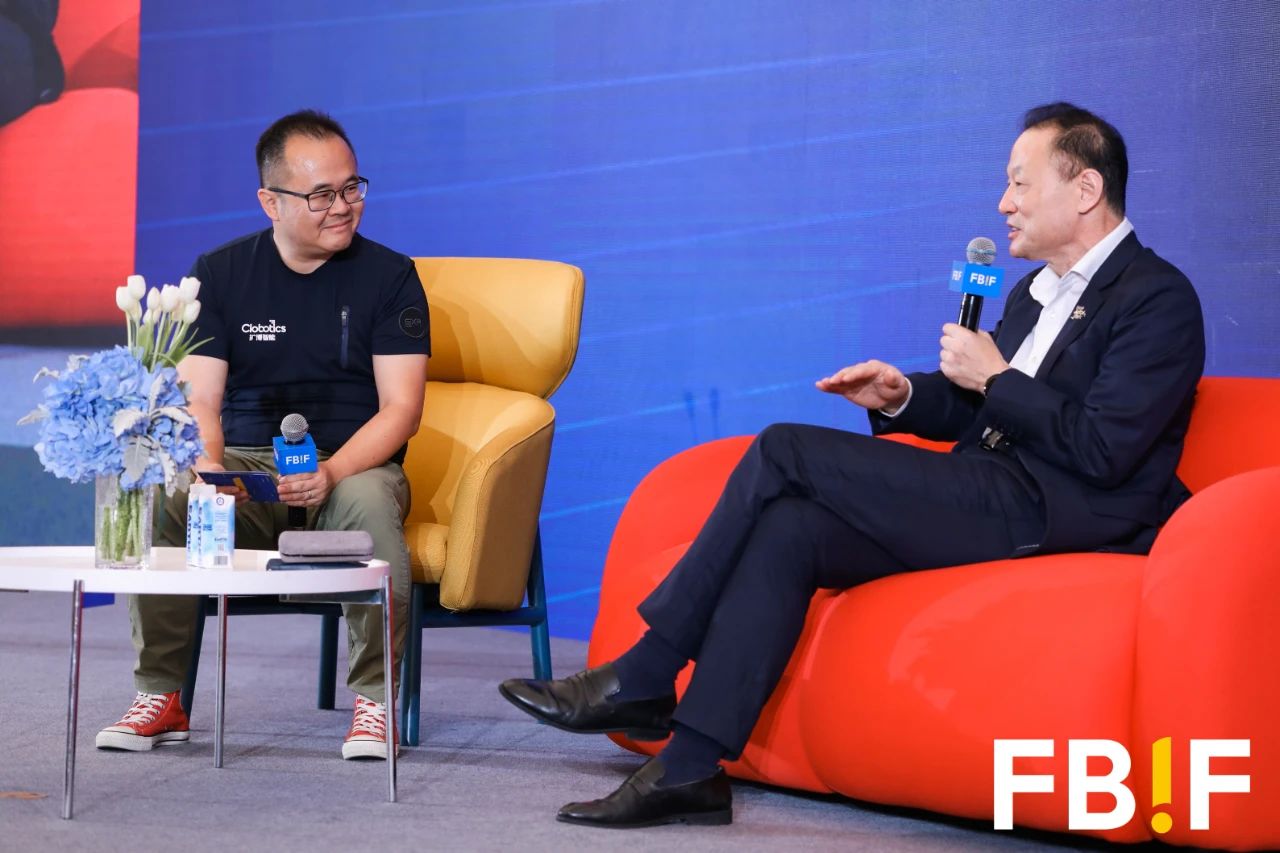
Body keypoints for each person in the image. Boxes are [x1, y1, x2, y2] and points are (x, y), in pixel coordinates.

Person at [500, 102, 1205, 827]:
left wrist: (995, 377)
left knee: (784, 447)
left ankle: (647, 669)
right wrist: (904, 397)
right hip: (987, 488)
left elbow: (1103, 448)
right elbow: (983, 408)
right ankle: (689, 768)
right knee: (791, 528)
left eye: (1020, 184)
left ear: (1085, 189)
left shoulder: (1157, 298)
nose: (1004, 203)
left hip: (1057, 511)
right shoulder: (1033, 293)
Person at [95, 110, 430, 760]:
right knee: (166, 494)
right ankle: (161, 693)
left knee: (367, 503)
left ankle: (375, 702)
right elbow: (200, 399)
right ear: (270, 201)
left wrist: (331, 473)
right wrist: (209, 471)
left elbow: (401, 410)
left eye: (351, 188)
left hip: (348, 466)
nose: (343, 206)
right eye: (322, 195)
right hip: (247, 468)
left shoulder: (391, 277)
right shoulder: (221, 274)